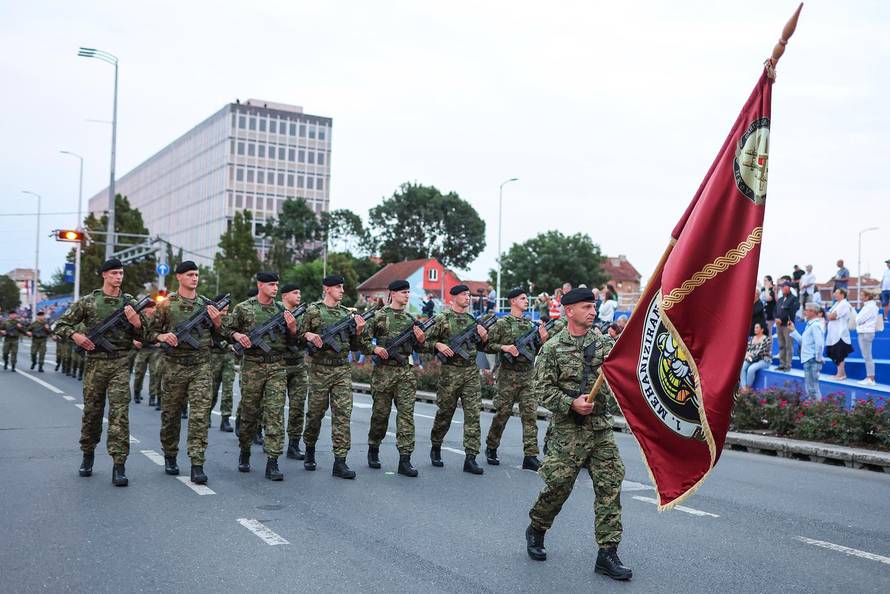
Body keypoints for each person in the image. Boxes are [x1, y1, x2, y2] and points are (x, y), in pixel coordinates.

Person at [525, 288, 631, 581]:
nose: (593, 311)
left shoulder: (605, 344)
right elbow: (541, 389)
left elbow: (623, 371)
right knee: (558, 487)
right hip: (567, 431)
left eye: (594, 307)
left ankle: (607, 553)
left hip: (600, 429)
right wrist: (570, 403)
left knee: (610, 486)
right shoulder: (553, 348)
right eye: (586, 307)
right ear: (569, 311)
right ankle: (537, 528)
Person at [53, 258, 145, 487]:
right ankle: (88, 454)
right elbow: (61, 324)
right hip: (95, 364)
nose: (118, 277)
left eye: (121, 273)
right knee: (92, 413)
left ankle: (119, 465)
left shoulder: (130, 302)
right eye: (114, 273)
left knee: (119, 414)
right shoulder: (89, 302)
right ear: (104, 275)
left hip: (120, 363)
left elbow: (146, 335)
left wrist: (137, 323)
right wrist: (76, 336)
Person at [148, 261, 223, 485]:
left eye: (196, 275)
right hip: (174, 366)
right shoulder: (166, 305)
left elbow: (223, 336)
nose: (194, 278)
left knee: (199, 416)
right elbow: (148, 331)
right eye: (190, 274)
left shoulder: (207, 305)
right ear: (179, 277)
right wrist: (161, 336)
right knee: (171, 416)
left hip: (201, 367)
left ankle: (197, 463)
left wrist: (218, 323)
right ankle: (170, 454)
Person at [222, 272, 298, 481]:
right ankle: (245, 451)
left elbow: (294, 342)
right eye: (271, 284)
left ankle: (273, 462)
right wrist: (236, 335)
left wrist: (293, 329)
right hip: (252, 366)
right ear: (260, 285)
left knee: (275, 413)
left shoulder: (282, 310)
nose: (275, 288)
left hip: (277, 365)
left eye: (277, 284)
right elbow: (225, 328)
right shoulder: (244, 308)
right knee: (250, 412)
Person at [300, 275, 368, 479]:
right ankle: (309, 449)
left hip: (342, 370)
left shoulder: (347, 314)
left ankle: (340, 461)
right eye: (338, 287)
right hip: (319, 369)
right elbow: (296, 337)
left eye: (342, 287)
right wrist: (308, 335)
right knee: (315, 414)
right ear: (327, 289)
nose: (342, 290)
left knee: (343, 415)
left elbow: (356, 346)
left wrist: (359, 331)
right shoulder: (313, 311)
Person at [361, 279, 427, 477]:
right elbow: (361, 341)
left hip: (405, 373)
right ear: (393, 294)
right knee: (380, 416)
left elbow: (421, 348)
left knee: (406, 416)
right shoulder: (379, 316)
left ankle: (405, 460)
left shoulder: (410, 320)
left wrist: (421, 340)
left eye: (408, 292)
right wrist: (374, 349)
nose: (407, 295)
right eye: (403, 292)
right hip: (383, 373)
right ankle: (373, 447)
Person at [426, 284, 489, 474]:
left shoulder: (472, 320)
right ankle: (436, 446)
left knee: (473, 415)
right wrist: (438, 345)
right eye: (464, 294)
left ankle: (471, 457)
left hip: (470, 372)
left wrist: (484, 337)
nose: (467, 297)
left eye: (469, 295)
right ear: (453, 297)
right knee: (445, 413)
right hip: (450, 373)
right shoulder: (442, 319)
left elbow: (484, 346)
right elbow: (424, 341)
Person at [484, 287, 549, 471]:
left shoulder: (531, 326)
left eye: (526, 298)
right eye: (522, 298)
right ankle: (491, 446)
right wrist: (504, 347)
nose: (526, 301)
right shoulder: (502, 324)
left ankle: (531, 455)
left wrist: (543, 340)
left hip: (527, 375)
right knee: (502, 413)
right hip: (507, 375)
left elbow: (536, 351)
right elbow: (487, 345)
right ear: (512, 301)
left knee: (530, 416)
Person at [279, 284, 308, 459]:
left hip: (298, 365)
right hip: (278, 365)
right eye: (295, 292)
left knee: (297, 407)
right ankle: (270, 440)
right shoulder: (275, 312)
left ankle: (294, 445)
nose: (299, 295)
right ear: (284, 295)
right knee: (273, 407)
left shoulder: (303, 315)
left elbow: (306, 338)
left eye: (300, 292)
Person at [789, 302, 826, 401]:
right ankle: (814, 407)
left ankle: (817, 408)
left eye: (806, 310)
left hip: (811, 360)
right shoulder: (810, 325)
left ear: (812, 312)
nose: (805, 312)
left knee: (813, 389)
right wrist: (793, 330)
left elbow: (820, 344)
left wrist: (818, 359)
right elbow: (803, 342)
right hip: (809, 359)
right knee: (810, 388)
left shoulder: (815, 325)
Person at [208, 295, 235, 431]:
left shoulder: (231, 319)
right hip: (213, 357)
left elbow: (233, 335)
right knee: (212, 389)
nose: (224, 313)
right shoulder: (208, 320)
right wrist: (225, 344)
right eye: (222, 310)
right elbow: (209, 338)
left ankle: (225, 419)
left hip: (228, 358)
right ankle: (206, 414)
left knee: (228, 390)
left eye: (226, 310)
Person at [132, 300, 158, 405]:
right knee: (139, 372)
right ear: (146, 308)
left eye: (154, 308)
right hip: (142, 349)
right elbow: (131, 330)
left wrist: (160, 340)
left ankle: (152, 397)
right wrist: (134, 341)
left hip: (154, 349)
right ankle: (137, 393)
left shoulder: (158, 317)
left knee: (154, 373)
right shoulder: (139, 317)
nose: (153, 310)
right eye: (151, 308)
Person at [825, 288, 853, 380]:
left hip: (840, 333)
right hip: (834, 334)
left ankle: (840, 374)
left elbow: (831, 316)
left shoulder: (844, 304)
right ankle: (841, 373)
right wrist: (829, 315)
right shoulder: (837, 304)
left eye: (837, 293)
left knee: (840, 354)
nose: (834, 294)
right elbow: (829, 315)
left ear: (842, 294)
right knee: (836, 354)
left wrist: (829, 315)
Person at [855, 289, 880, 386]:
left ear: (867, 297)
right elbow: (859, 320)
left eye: (862, 295)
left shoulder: (870, 307)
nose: (860, 297)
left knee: (867, 356)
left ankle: (871, 379)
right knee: (867, 356)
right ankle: (870, 377)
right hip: (865, 331)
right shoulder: (869, 306)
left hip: (866, 332)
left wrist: (859, 320)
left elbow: (859, 319)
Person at [774, 281, 798, 371]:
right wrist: (776, 318)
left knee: (788, 346)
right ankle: (782, 364)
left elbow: (791, 312)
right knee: (781, 345)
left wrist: (781, 319)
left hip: (788, 325)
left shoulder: (793, 299)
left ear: (789, 288)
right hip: (779, 325)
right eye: (782, 287)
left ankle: (788, 365)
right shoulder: (780, 299)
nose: (783, 288)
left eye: (785, 287)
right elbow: (775, 310)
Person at [740, 323, 771, 392]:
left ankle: (747, 388)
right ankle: (744, 388)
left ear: (762, 329)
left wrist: (749, 354)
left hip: (763, 360)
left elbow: (760, 352)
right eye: (755, 328)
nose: (755, 329)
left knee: (751, 369)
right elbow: (747, 349)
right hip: (751, 359)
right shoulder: (751, 338)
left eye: (757, 328)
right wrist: (747, 354)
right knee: (742, 367)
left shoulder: (766, 339)